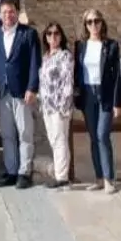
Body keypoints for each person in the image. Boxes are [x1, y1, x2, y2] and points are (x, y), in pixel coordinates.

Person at [0, 0, 40, 188]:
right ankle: (11, 170)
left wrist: (32, 87)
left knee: (25, 133)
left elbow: (35, 62)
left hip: (22, 91)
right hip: (3, 92)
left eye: (11, 12)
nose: (8, 15)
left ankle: (24, 172)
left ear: (17, 13)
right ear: (0, 15)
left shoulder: (28, 34)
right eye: (4, 12)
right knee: (7, 134)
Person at [74, 8, 120, 194]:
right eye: (89, 22)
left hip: (105, 94)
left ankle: (109, 179)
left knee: (102, 135)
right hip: (87, 94)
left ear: (102, 23)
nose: (94, 25)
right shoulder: (81, 46)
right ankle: (99, 178)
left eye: (97, 21)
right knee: (93, 137)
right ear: (85, 25)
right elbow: (76, 72)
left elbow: (116, 75)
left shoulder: (111, 45)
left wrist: (117, 103)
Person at [38, 22, 74, 190]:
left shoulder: (65, 56)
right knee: (54, 140)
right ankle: (61, 172)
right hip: (47, 106)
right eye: (49, 33)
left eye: (56, 33)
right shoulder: (46, 57)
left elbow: (67, 81)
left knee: (60, 140)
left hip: (59, 106)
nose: (53, 37)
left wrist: (64, 106)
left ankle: (62, 176)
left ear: (61, 36)